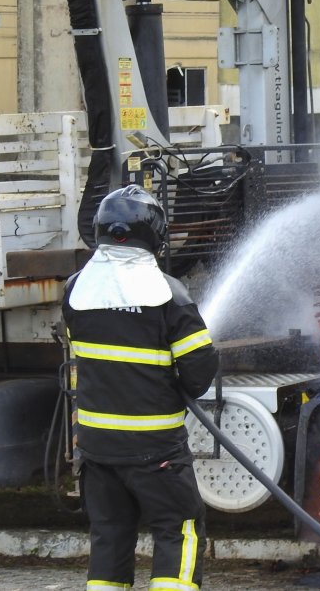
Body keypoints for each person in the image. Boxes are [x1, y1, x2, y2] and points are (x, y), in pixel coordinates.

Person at [63, 184, 218, 591]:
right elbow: (199, 372)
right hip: (156, 451)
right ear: (155, 235)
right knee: (178, 529)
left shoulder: (75, 290)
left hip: (97, 450)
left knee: (110, 535)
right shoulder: (169, 295)